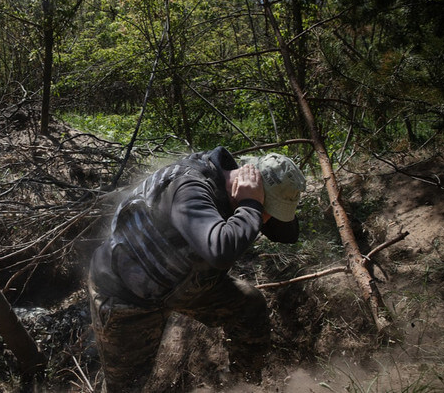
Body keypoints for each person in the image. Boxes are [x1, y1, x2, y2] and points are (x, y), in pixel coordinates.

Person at [87, 146, 306, 391]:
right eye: (267, 211)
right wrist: (251, 206)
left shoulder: (239, 191)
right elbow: (220, 250)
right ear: (246, 188)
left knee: (248, 307)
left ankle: (244, 386)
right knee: (126, 386)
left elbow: (284, 232)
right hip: (127, 297)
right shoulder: (189, 186)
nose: (264, 220)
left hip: (184, 283)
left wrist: (257, 204)